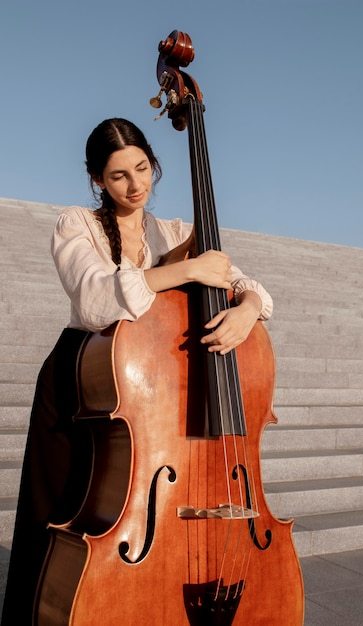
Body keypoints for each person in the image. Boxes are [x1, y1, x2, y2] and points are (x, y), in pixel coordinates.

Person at [1, 118, 273, 624]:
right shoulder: (75, 224)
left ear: (153, 160)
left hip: (143, 391)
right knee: (58, 516)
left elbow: (242, 280)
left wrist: (248, 306)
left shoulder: (171, 232)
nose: (135, 184)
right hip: (80, 381)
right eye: (118, 175)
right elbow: (96, 298)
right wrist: (185, 269)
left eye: (142, 167)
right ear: (97, 181)